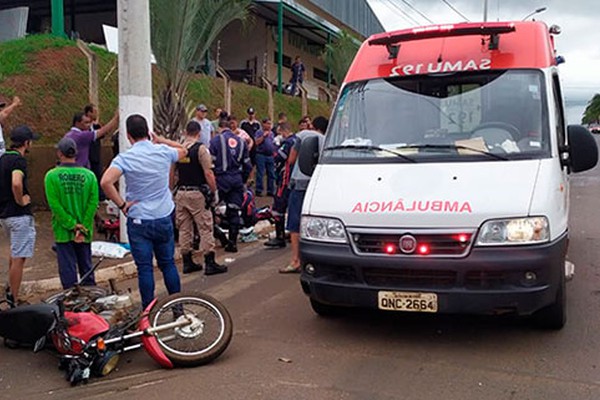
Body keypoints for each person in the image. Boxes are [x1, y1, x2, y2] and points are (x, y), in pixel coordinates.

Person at [101, 114, 187, 309]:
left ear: (129, 135)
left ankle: (147, 315)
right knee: (168, 265)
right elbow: (183, 149)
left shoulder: (125, 158)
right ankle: (178, 309)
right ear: (148, 132)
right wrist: (161, 140)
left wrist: (122, 205)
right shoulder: (163, 151)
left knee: (145, 269)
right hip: (163, 215)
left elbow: (106, 181)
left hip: (139, 218)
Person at [45, 138, 99, 289]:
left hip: (63, 231)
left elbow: (55, 206)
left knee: (68, 271)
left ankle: (70, 305)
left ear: (59, 153)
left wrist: (72, 225)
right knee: (86, 269)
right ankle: (91, 302)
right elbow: (93, 204)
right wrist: (82, 227)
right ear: (76, 153)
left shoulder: (51, 176)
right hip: (84, 232)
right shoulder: (89, 176)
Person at [175, 121, 227, 276]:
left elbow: (172, 173)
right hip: (197, 194)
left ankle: (187, 261)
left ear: (185, 132)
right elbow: (208, 173)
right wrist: (214, 191)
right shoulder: (201, 149)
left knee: (184, 228)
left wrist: (172, 190)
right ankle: (209, 262)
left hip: (180, 193)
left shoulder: (178, 149)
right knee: (205, 227)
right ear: (198, 133)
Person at [280, 116, 328, 273]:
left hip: (300, 184)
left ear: (312, 126)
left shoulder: (304, 135)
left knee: (295, 224)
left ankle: (296, 260)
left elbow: (291, 159)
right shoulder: (329, 139)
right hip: (318, 184)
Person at [0, 126, 40, 305]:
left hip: (5, 215)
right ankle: (13, 299)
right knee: (19, 257)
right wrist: (21, 200)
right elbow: (17, 182)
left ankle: (10, 289)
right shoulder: (18, 161)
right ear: (26, 143)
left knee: (14, 253)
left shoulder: (2, 159)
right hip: (18, 215)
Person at [210, 117, 252, 253]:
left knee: (209, 209)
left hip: (221, 179)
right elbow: (247, 165)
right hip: (236, 179)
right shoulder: (241, 142)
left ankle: (221, 236)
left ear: (220, 129)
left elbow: (210, 163)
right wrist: (243, 180)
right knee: (234, 210)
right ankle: (232, 243)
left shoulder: (215, 141)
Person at [265, 121, 296, 248]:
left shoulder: (288, 142)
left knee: (278, 206)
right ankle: (290, 234)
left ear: (283, 131)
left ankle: (280, 237)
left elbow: (278, 157)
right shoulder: (297, 140)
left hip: (285, 177)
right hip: (294, 177)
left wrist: (275, 147)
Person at [84, 104, 106, 201]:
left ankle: (100, 196)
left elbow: (102, 135)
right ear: (89, 113)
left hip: (96, 155)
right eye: (94, 112)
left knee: (98, 174)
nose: (97, 114)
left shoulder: (96, 126)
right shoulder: (84, 127)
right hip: (87, 156)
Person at [254, 118, 276, 196]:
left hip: (270, 155)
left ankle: (270, 190)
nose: (269, 125)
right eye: (267, 123)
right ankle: (259, 190)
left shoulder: (272, 133)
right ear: (263, 124)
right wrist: (263, 137)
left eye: (270, 124)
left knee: (271, 173)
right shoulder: (259, 132)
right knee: (260, 173)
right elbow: (256, 142)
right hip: (261, 154)